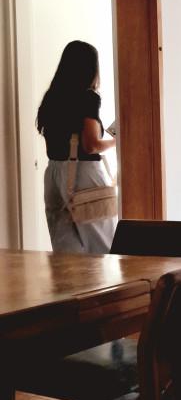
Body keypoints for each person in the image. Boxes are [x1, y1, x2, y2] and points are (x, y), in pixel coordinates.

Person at [37, 40, 117, 253]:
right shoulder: (88, 97)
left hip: (53, 173)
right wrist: (117, 140)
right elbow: (91, 145)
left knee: (65, 251)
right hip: (83, 173)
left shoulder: (51, 97)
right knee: (104, 248)